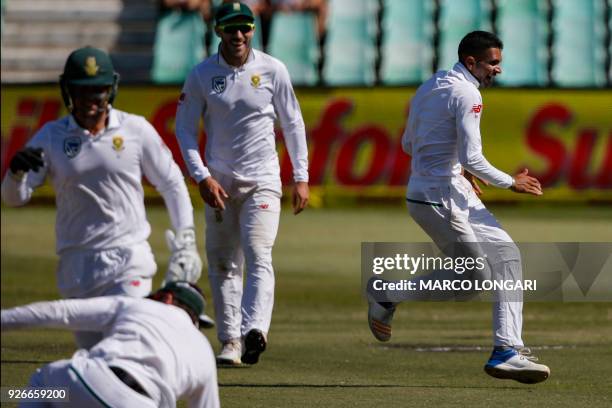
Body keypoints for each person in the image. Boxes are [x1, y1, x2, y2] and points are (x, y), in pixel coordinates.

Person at [367, 31, 550, 384]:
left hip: (446, 190)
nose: (498, 70)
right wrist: (512, 182)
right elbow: (472, 156)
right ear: (472, 63)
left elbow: (408, 143)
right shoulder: (468, 94)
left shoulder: (432, 84)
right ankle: (387, 294)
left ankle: (507, 350)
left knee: (508, 257)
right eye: (493, 63)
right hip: (439, 197)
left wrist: (456, 169)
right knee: (473, 279)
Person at [1, 46, 207, 348]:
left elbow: (172, 183)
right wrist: (15, 175)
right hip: (76, 266)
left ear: (111, 90)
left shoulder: (134, 129)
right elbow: (14, 199)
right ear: (67, 90)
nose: (90, 101)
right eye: (81, 91)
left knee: (126, 349)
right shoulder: (51, 135)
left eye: (97, 91)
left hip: (128, 260)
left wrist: (186, 238)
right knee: (94, 359)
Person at [175, 1, 309, 366]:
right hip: (218, 181)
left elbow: (293, 123)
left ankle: (255, 331)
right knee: (222, 264)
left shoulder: (273, 69)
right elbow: (185, 128)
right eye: (230, 28)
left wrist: (301, 177)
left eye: (244, 28)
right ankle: (230, 341)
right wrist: (200, 175)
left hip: (263, 180)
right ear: (217, 30)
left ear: (253, 29)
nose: (238, 35)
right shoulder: (202, 74)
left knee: (258, 253)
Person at [1, 281, 220, 408]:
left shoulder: (138, 305)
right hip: (143, 405)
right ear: (196, 319)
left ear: (167, 298)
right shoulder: (204, 350)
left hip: (89, 385)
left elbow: (59, 311)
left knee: (41, 385)